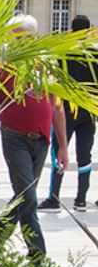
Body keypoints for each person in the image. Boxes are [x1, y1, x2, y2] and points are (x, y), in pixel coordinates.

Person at [0, 14, 69, 259]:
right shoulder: (0, 70)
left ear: (33, 39)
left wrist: (63, 147)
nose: (20, 43)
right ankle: (38, 256)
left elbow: (57, 109)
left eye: (25, 38)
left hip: (41, 141)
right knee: (29, 197)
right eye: (15, 38)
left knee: (24, 196)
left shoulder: (46, 69)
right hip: (14, 138)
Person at [39, 15, 97, 212]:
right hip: (88, 112)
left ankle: (54, 198)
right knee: (85, 155)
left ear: (71, 31)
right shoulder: (95, 55)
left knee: (59, 153)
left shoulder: (62, 53)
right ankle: (81, 199)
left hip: (66, 111)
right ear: (89, 31)